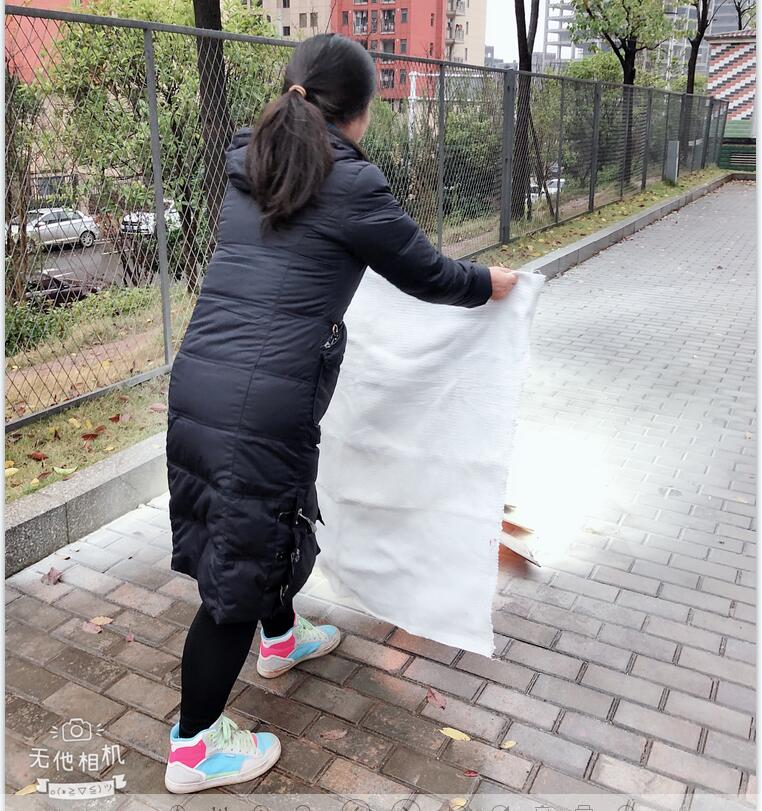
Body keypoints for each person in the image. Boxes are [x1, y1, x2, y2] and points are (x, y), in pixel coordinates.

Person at [163, 33, 517, 794]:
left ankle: (282, 637)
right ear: (359, 112)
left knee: (269, 519)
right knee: (236, 570)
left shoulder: (251, 163)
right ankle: (193, 747)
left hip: (204, 382)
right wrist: (490, 283)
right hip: (262, 401)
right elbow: (426, 271)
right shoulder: (350, 182)